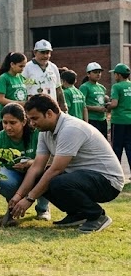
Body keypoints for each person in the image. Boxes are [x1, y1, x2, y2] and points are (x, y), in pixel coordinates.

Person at [7, 95, 123, 233]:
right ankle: (78, 214)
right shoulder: (45, 132)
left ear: (49, 113)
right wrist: (18, 196)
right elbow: (36, 167)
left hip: (108, 182)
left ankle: (96, 216)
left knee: (58, 181)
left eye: (35, 118)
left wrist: (29, 199)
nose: (31, 124)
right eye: (30, 119)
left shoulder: (71, 128)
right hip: (82, 177)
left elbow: (56, 170)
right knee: (39, 176)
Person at [0, 103, 51, 220]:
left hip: (37, 173)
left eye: (13, 123)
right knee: (0, 179)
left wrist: (30, 163)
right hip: (14, 176)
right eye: (5, 122)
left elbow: (50, 160)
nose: (8, 127)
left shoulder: (37, 134)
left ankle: (43, 208)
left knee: (47, 172)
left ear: (24, 121)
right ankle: (13, 206)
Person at [23, 39, 66, 112]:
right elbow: (23, 86)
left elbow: (58, 88)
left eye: (48, 53)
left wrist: (63, 105)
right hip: (34, 108)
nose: (45, 56)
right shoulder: (27, 67)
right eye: (42, 53)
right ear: (35, 52)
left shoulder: (53, 67)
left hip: (51, 107)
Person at [107, 63, 131, 170]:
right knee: (130, 148)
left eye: (115, 74)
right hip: (130, 121)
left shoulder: (116, 86)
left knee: (117, 148)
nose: (114, 76)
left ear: (119, 75)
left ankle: (117, 172)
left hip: (119, 121)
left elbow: (114, 104)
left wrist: (107, 106)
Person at [81, 62, 109, 138]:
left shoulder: (102, 87)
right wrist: (96, 108)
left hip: (102, 119)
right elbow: (82, 105)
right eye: (95, 72)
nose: (98, 74)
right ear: (88, 74)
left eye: (99, 72)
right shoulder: (84, 87)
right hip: (92, 119)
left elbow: (101, 102)